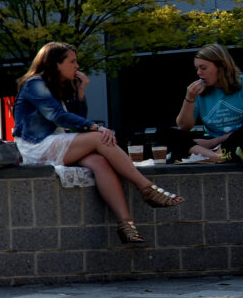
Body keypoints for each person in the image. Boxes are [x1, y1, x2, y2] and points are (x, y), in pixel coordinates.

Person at [15, 41, 183, 245]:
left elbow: (74, 123)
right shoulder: (35, 83)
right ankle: (146, 187)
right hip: (36, 146)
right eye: (72, 61)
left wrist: (81, 91)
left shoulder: (54, 87)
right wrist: (96, 128)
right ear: (55, 63)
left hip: (55, 142)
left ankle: (126, 225)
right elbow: (58, 117)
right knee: (99, 137)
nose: (77, 66)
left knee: (100, 162)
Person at [172, 43, 243, 162]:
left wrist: (214, 142)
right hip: (210, 143)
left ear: (222, 66)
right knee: (166, 134)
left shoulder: (241, 84)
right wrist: (190, 98)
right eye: (197, 68)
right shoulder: (199, 90)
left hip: (235, 140)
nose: (199, 73)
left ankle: (210, 154)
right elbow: (184, 126)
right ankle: (217, 157)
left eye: (203, 68)